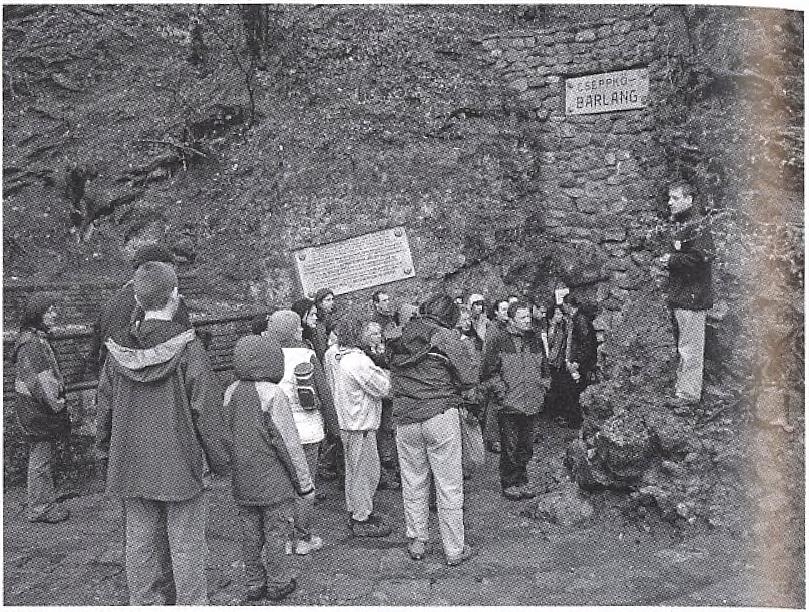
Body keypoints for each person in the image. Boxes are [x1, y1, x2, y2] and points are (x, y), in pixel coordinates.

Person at [95, 262, 230, 605]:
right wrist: (221, 461)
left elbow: (104, 408)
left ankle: (144, 602)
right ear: (174, 296)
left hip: (132, 461)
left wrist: (105, 451)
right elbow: (208, 413)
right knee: (186, 542)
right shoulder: (189, 349)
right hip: (179, 461)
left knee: (138, 540)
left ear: (137, 300)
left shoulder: (116, 354)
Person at [223, 335, 319, 602]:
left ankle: (254, 583)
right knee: (276, 533)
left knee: (250, 535)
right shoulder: (273, 395)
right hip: (273, 482)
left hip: (242, 480)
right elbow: (288, 444)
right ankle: (278, 582)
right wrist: (304, 484)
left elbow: (225, 435)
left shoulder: (230, 392)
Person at [389, 293, 477, 566]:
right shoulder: (446, 339)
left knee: (413, 480)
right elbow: (470, 377)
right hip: (439, 414)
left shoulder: (399, 336)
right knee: (449, 484)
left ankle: (417, 540)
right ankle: (454, 548)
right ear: (448, 315)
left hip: (405, 418)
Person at [264, 310, 339, 498]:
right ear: (292, 331)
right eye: (297, 326)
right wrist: (335, 428)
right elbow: (324, 394)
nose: (300, 329)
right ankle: (302, 525)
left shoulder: (265, 356)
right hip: (308, 430)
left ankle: (286, 522)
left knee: (284, 480)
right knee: (306, 483)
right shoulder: (306, 355)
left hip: (277, 430)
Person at [87, 244, 190, 379]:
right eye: (170, 269)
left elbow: (94, 355)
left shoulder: (110, 304)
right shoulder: (169, 303)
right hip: (159, 388)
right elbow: (187, 350)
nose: (175, 275)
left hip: (115, 386)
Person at [331, 317, 394, 537]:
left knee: (354, 472)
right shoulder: (358, 361)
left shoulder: (341, 358)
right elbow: (384, 387)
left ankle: (356, 510)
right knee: (365, 473)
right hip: (360, 425)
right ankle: (362, 516)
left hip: (350, 424)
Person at [11, 294, 71, 523]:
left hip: (32, 408)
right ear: (38, 315)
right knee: (41, 459)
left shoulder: (33, 339)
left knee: (40, 456)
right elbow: (42, 381)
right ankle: (40, 507)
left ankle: (42, 501)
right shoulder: (33, 344)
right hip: (38, 411)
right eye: (50, 311)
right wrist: (58, 404)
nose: (55, 314)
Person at [481, 301, 548, 501]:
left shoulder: (535, 339)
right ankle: (509, 482)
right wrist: (502, 393)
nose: (527, 321)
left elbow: (544, 366)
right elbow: (488, 371)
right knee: (509, 445)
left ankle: (522, 479)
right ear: (511, 319)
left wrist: (544, 387)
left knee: (526, 445)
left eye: (528, 317)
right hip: (509, 403)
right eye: (522, 318)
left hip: (532, 401)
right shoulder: (499, 340)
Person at [659, 179, 715, 405]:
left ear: (689, 200)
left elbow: (702, 257)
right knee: (684, 345)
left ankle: (688, 395)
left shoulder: (697, 225)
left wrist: (670, 260)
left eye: (675, 198)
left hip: (692, 297)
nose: (669, 202)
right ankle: (682, 389)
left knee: (690, 348)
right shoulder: (683, 224)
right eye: (669, 198)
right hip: (682, 296)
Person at [480, 298, 511, 453]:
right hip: (496, 373)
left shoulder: (508, 327)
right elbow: (487, 356)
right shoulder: (493, 330)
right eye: (504, 309)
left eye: (508, 309)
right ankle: (494, 439)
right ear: (496, 312)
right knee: (495, 405)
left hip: (508, 372)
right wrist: (490, 375)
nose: (507, 312)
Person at [562, 295, 598, 423]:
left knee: (574, 390)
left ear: (568, 305)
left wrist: (577, 361)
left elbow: (586, 343)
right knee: (573, 390)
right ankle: (574, 419)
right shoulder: (576, 319)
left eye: (564, 305)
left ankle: (575, 421)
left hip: (580, 363)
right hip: (577, 361)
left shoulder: (580, 320)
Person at [544, 302, 578, 427]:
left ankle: (563, 415)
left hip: (561, 363)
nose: (560, 316)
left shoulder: (563, 326)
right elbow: (550, 343)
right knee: (557, 389)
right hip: (553, 363)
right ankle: (557, 415)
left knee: (563, 389)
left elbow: (567, 342)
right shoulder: (551, 327)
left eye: (561, 313)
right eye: (557, 314)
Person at [292, 297, 328, 362]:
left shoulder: (317, 333)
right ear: (301, 316)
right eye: (311, 315)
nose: (315, 318)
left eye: (315, 314)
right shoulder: (296, 341)